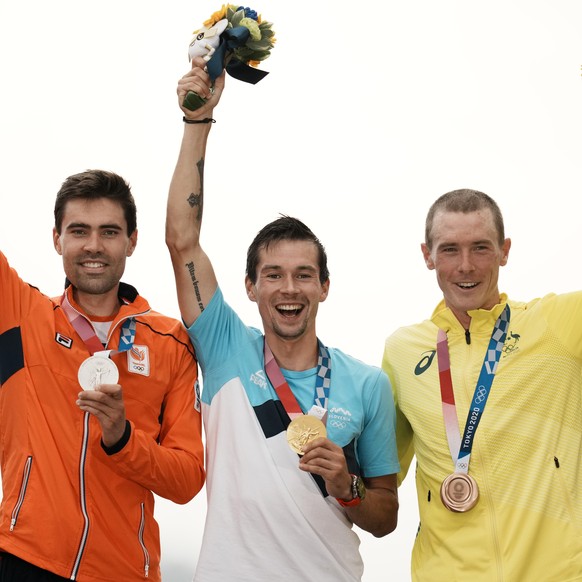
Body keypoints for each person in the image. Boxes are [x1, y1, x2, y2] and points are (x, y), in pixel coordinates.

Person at [165, 59, 400, 582]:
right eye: (272, 275)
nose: (288, 289)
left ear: (324, 286)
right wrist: (196, 123)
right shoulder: (225, 345)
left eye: (303, 275)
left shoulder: (367, 384)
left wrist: (348, 486)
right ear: (250, 287)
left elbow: (386, 515)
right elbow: (182, 239)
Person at [0, 170, 205, 581]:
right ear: (57, 239)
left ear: (132, 240)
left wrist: (123, 438)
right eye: (79, 231)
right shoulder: (19, 313)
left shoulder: (170, 342)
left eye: (109, 232)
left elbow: (186, 480)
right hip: (24, 559)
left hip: (125, 571)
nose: (93, 246)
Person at [382, 188, 582, 581]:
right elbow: (382, 474)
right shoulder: (403, 351)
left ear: (505, 251)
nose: (466, 266)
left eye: (481, 248)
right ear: (428, 255)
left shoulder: (558, 322)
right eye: (450, 250)